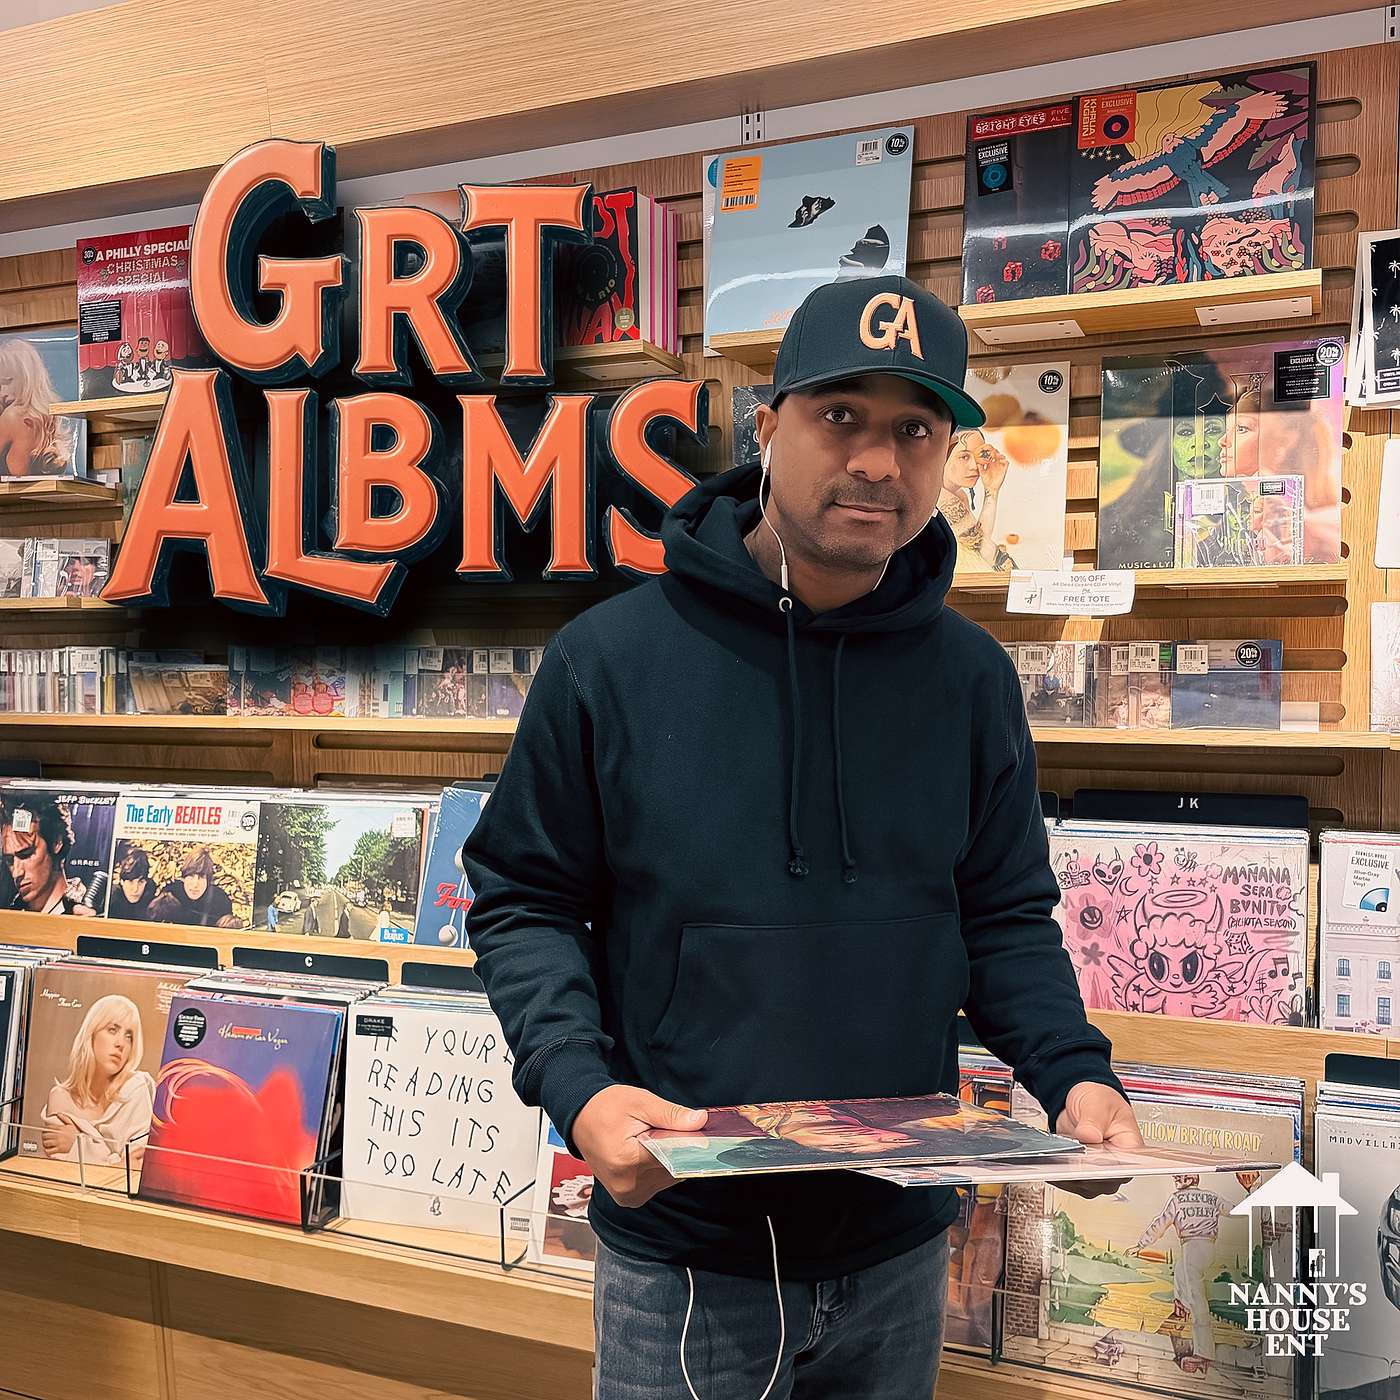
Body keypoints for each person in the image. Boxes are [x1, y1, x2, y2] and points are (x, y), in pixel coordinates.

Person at [463, 274, 1139, 1400]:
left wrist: (1072, 1075)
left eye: (913, 430)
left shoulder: (971, 679)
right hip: (687, 1251)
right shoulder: (608, 660)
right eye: (840, 416)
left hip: (897, 1245)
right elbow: (523, 899)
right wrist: (578, 1087)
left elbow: (1003, 915)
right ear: (767, 427)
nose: (876, 460)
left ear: (946, 455)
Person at [40, 993, 154, 1166]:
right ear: (91, 1033)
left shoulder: (136, 1088)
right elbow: (62, 1170)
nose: (121, 1043)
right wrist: (115, 1160)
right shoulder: (60, 1097)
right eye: (112, 1030)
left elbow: (136, 1168)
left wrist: (79, 1146)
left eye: (129, 1036)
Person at [1, 793, 97, 916]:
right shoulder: (10, 910)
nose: (16, 873)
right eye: (10, 860)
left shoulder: (83, 911)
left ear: (56, 842)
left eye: (26, 854)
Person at [0, 337, 74, 478]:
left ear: (26, 377)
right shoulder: (50, 418)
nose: (3, 393)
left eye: (7, 382)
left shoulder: (12, 416)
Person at [150, 846, 237, 927]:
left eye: (201, 877)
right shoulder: (171, 893)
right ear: (184, 877)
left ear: (208, 881)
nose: (195, 884)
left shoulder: (220, 900)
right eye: (191, 876)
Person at [107, 847, 156, 920]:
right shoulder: (110, 900)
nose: (135, 889)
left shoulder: (152, 900)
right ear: (121, 881)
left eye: (141, 882)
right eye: (130, 881)